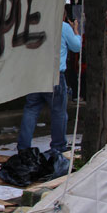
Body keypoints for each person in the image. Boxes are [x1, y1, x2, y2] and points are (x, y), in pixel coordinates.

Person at [17, 10, 82, 152]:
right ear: (63, 15)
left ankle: (23, 146)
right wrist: (76, 30)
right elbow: (76, 47)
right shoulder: (63, 26)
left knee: (31, 109)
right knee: (58, 112)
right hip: (54, 74)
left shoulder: (34, 24)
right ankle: (58, 146)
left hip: (35, 73)